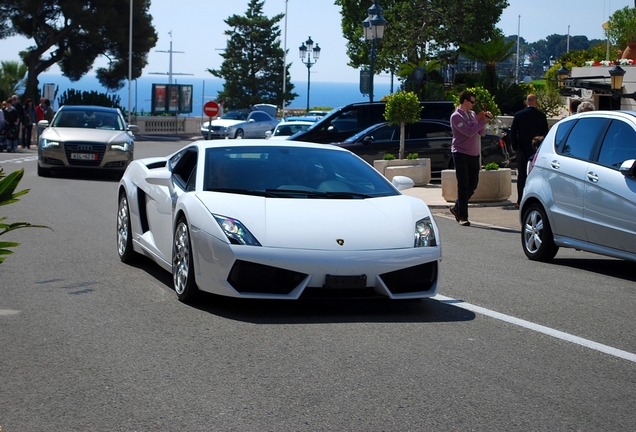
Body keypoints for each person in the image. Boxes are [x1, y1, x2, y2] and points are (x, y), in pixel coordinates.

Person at [449, 90, 492, 227]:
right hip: (460, 153)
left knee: (473, 184)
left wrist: (480, 120)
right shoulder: (456, 117)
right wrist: (481, 122)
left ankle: (457, 207)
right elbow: (468, 132)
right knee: (463, 185)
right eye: (472, 102)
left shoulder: (472, 114)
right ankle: (463, 216)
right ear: (465, 101)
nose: (474, 105)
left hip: (473, 153)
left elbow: (481, 132)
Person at [510, 94, 549, 208]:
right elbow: (545, 133)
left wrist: (515, 147)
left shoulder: (518, 115)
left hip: (521, 149)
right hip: (536, 149)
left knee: (522, 175)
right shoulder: (541, 116)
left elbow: (513, 133)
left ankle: (519, 200)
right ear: (536, 103)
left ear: (526, 102)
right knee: (535, 175)